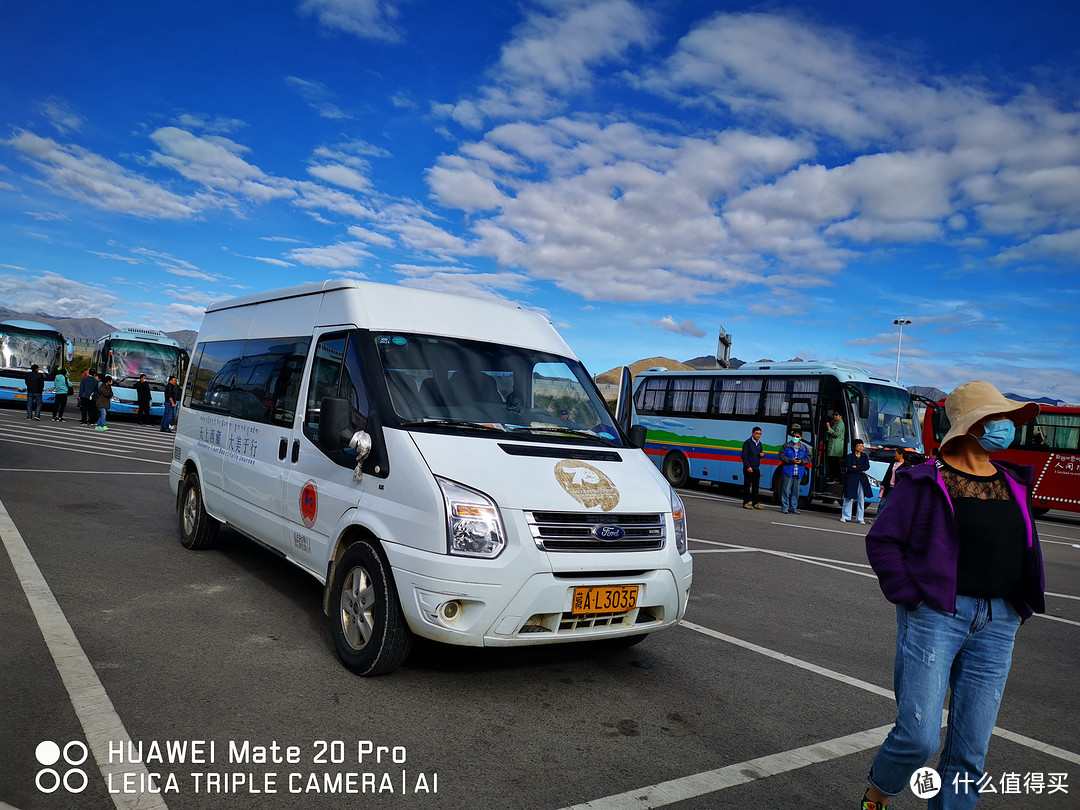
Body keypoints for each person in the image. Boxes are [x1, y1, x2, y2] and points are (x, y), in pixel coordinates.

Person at [860, 381, 1045, 810]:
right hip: (937, 616)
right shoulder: (924, 481)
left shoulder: (1013, 481)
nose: (1006, 426)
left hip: (998, 622)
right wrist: (911, 595)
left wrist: (1017, 608)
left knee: (969, 748)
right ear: (970, 425)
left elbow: (1025, 546)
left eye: (1007, 418)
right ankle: (876, 795)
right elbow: (883, 541)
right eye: (996, 418)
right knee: (918, 736)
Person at [778, 425, 810, 515]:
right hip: (788, 471)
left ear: (801, 438)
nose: (795, 438)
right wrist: (790, 460)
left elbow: (809, 457)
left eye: (797, 437)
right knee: (786, 490)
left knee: (796, 492)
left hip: (798, 472)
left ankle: (793, 508)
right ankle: (784, 507)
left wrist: (802, 461)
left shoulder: (804, 448)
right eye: (794, 436)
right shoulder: (786, 446)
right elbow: (781, 455)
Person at [840, 439, 871, 523]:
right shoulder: (850, 456)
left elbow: (867, 466)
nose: (861, 448)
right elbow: (849, 467)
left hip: (861, 478)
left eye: (862, 446)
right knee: (849, 497)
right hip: (851, 478)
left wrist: (856, 467)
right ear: (854, 447)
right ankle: (845, 516)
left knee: (861, 498)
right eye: (859, 446)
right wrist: (860, 469)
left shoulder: (864, 456)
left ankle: (860, 518)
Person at [741, 426, 765, 509]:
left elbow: (760, 453)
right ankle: (746, 502)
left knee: (756, 487)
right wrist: (747, 466)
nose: (758, 435)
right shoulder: (748, 442)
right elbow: (744, 455)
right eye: (757, 433)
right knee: (747, 486)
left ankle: (755, 503)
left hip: (756, 468)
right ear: (752, 433)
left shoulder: (759, 443)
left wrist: (762, 455)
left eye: (760, 434)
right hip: (749, 468)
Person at [826, 410, 845, 482]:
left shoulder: (840, 423)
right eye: (834, 414)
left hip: (835, 447)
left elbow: (836, 434)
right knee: (834, 463)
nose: (834, 416)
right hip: (834, 446)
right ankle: (835, 478)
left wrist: (829, 428)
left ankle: (834, 478)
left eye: (836, 415)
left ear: (840, 416)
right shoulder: (836, 423)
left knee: (834, 463)